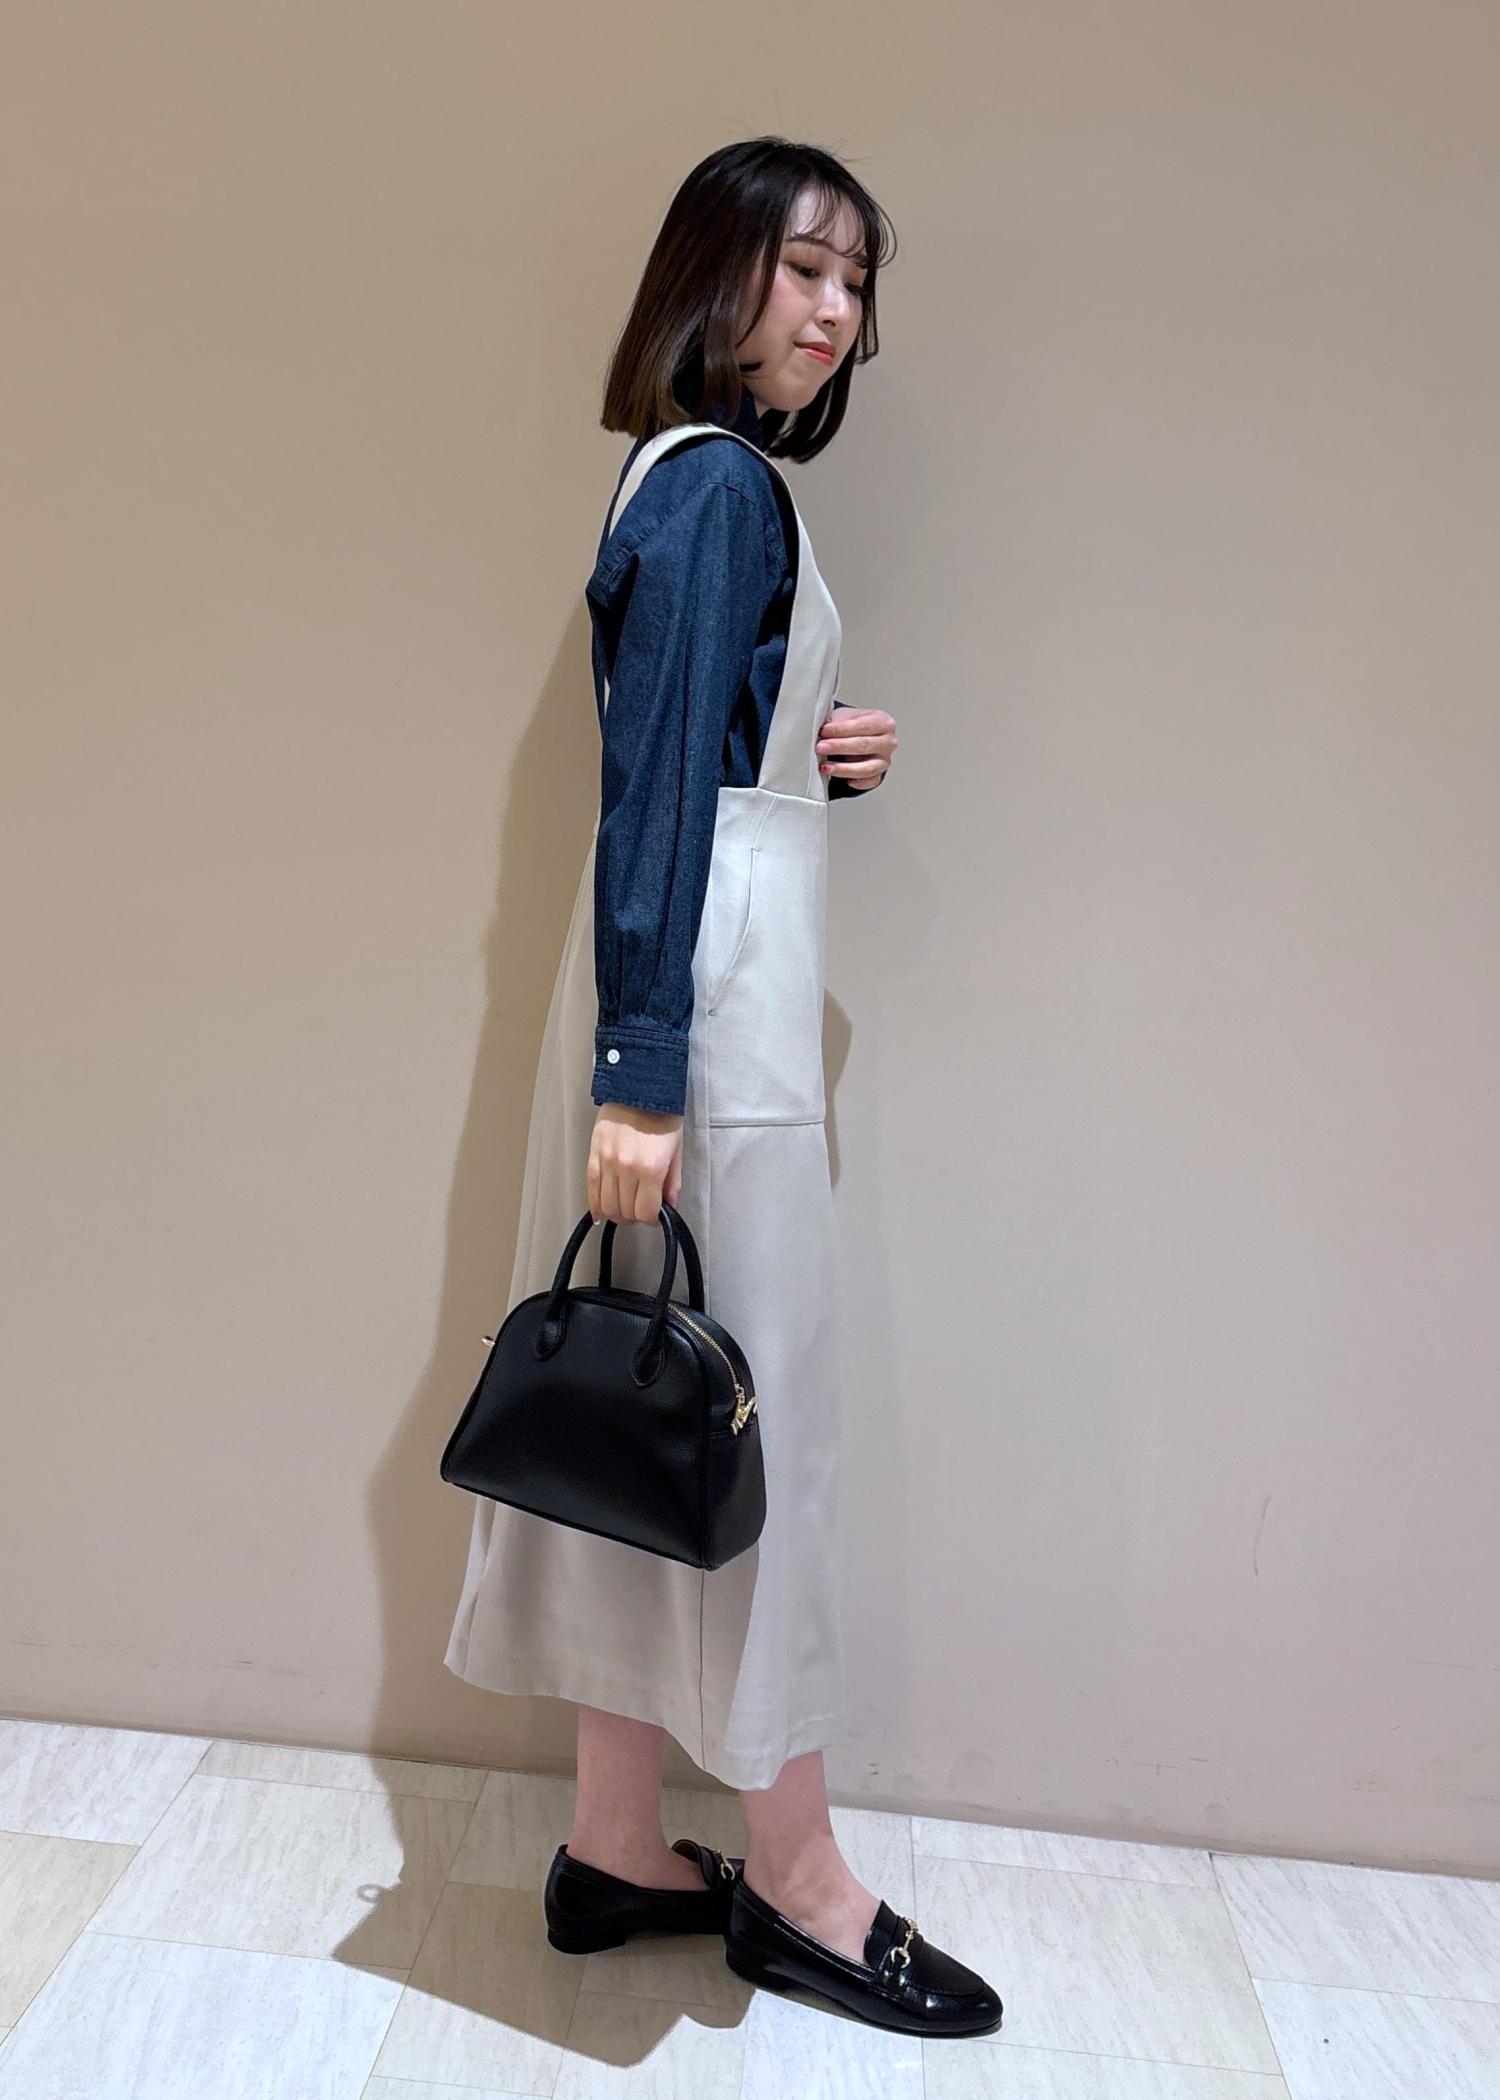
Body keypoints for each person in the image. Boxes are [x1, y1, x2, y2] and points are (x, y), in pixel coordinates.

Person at [445, 136, 1002, 2038]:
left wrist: (807, 746)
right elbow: (658, 792)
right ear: (718, 272)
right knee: (760, 1436)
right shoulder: (718, 488)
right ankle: (802, 1878)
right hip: (704, 1025)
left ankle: (617, 1844)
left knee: (648, 1415)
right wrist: (648, 1076)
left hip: (672, 1011)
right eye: (806, 268)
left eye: (858, 284)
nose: (838, 311)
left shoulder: (688, 482)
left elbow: (697, 747)